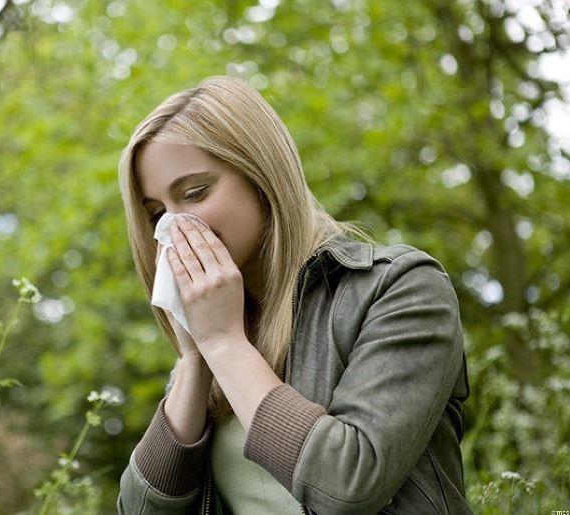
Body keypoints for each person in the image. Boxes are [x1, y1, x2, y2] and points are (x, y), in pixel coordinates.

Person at [115, 75, 472, 514]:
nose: (173, 230)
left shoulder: (400, 289)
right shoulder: (217, 330)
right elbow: (139, 510)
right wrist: (194, 361)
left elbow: (347, 487)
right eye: (156, 215)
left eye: (194, 193)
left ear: (261, 176)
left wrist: (224, 344)